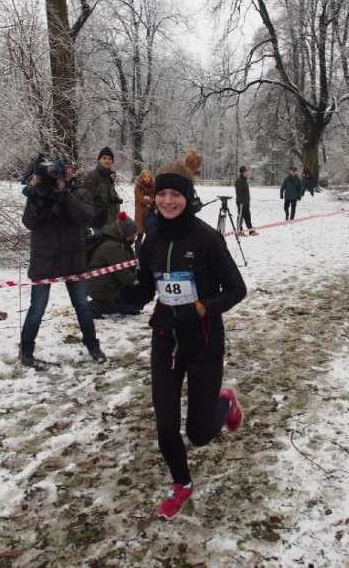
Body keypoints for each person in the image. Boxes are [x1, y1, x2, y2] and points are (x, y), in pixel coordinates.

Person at [118, 157, 247, 520]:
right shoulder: (151, 240)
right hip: (165, 338)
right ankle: (182, 484)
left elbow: (237, 289)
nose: (168, 201)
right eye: (162, 194)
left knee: (200, 433)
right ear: (154, 198)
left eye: (176, 194)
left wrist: (203, 308)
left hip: (204, 341)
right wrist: (131, 295)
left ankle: (224, 403)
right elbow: (148, 284)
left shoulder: (207, 238)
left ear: (188, 198)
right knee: (165, 424)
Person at [20, 158, 106, 367]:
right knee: (37, 307)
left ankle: (93, 346)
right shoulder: (38, 194)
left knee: (82, 305)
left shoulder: (80, 193)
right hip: (44, 259)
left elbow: (85, 217)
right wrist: (34, 191)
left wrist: (64, 194)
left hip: (72, 259)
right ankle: (26, 350)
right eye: (60, 169)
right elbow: (29, 223)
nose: (63, 172)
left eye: (68, 167)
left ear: (72, 172)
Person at [87, 212, 145, 318]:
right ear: (128, 234)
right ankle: (97, 306)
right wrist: (139, 284)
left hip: (106, 285)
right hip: (102, 288)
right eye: (134, 235)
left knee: (136, 302)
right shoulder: (113, 247)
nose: (135, 238)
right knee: (136, 301)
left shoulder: (118, 243)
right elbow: (124, 274)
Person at [82, 146, 123, 234]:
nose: (107, 161)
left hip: (110, 221)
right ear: (99, 160)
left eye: (109, 159)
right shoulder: (93, 176)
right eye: (104, 158)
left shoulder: (109, 176)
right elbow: (85, 200)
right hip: (98, 222)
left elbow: (110, 197)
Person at [134, 169, 156, 251]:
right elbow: (140, 199)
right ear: (141, 177)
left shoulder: (153, 187)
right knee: (139, 235)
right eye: (145, 177)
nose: (146, 178)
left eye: (148, 177)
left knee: (149, 235)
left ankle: (147, 253)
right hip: (140, 214)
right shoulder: (138, 187)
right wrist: (150, 201)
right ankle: (137, 254)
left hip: (149, 214)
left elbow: (155, 198)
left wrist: (151, 202)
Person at [234, 165, 258, 236]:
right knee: (240, 216)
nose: (247, 173)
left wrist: (247, 201)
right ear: (242, 172)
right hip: (241, 203)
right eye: (245, 171)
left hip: (246, 202)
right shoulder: (239, 181)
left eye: (247, 171)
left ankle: (251, 231)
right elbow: (239, 193)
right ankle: (239, 231)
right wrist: (241, 202)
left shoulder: (244, 180)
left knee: (248, 217)